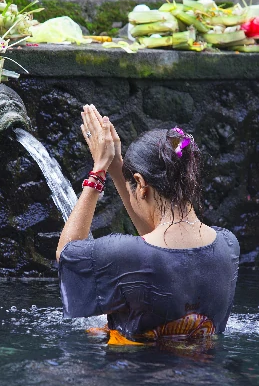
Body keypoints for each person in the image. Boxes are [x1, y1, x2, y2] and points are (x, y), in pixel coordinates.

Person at [56, 104, 240, 345]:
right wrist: (117, 169)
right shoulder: (228, 245)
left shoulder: (125, 254)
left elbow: (67, 255)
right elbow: (159, 246)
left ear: (141, 184)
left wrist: (99, 171)